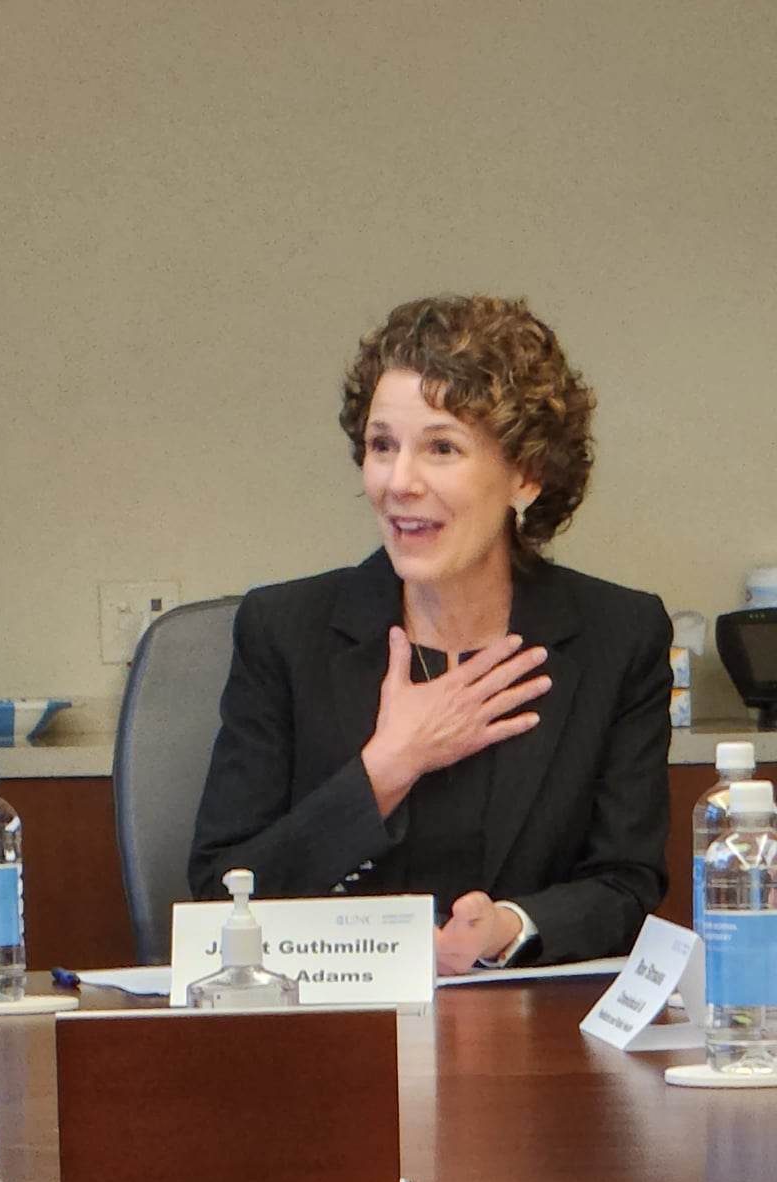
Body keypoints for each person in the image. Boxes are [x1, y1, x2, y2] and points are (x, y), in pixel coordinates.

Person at [188, 295, 670, 972]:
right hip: (330, 1030)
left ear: (526, 475)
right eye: (382, 446)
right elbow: (219, 895)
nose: (399, 482)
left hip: (525, 1029)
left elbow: (627, 882)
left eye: (442, 447)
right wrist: (390, 765)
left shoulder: (617, 636)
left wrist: (509, 926)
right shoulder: (285, 631)